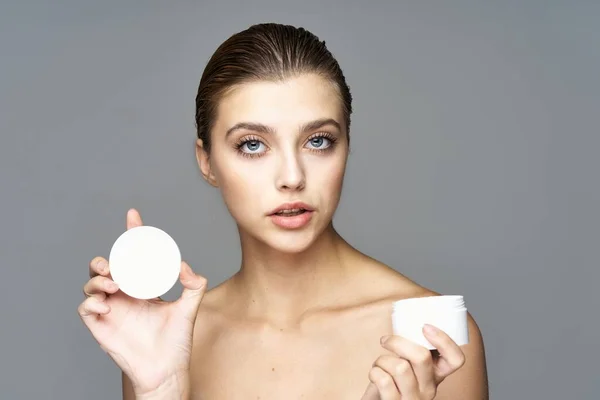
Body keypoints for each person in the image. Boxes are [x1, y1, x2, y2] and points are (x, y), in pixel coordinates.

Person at [78, 23, 488, 399]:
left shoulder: (429, 337)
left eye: (318, 141)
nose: (292, 177)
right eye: (252, 144)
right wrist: (160, 391)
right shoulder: (169, 342)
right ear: (207, 162)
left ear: (347, 146)